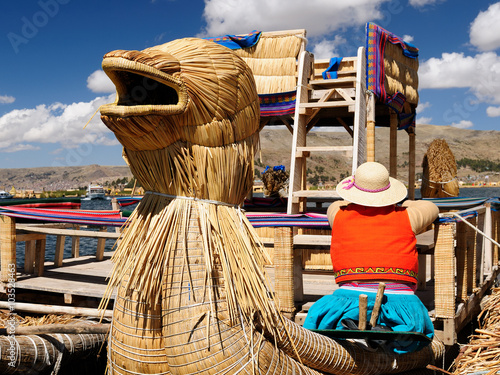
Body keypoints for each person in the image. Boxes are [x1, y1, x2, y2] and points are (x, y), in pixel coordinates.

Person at [303, 162, 439, 353]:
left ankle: (350, 329)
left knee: (324, 317)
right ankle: (388, 334)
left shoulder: (337, 214)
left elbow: (338, 203)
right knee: (411, 332)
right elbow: (431, 207)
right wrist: (406, 203)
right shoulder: (408, 216)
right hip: (400, 302)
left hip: (350, 298)